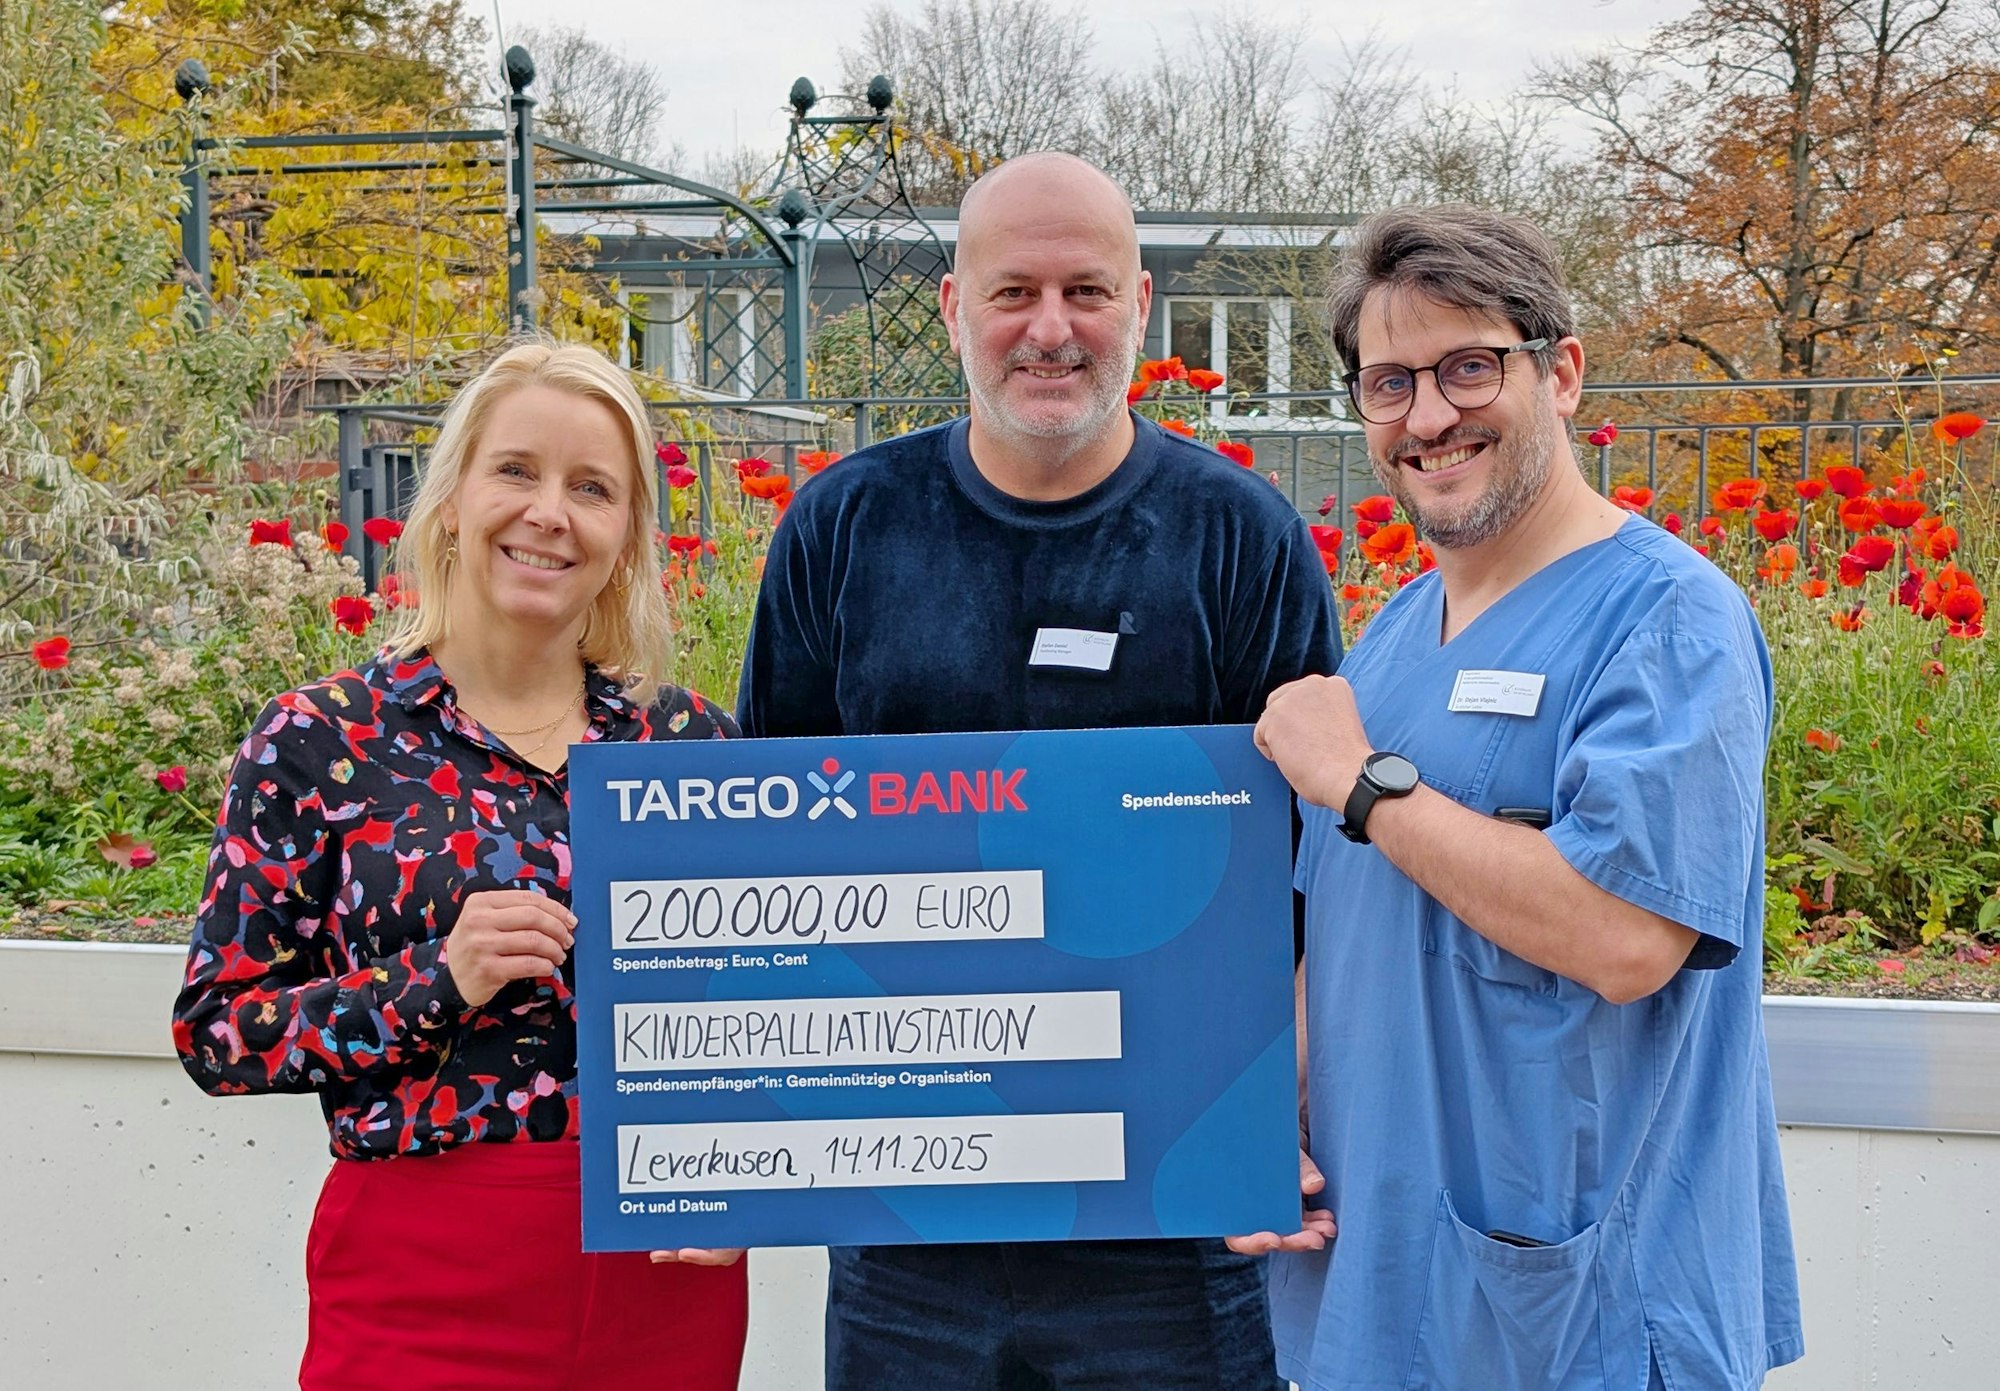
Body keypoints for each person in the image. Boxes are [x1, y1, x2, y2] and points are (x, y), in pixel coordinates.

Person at [737, 151, 1341, 1389]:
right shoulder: (841, 526)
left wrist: (1270, 1108)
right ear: (953, 306)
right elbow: (767, 850)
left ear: (1140, 305)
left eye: (1086, 291)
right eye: (1013, 292)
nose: (1050, 329)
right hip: (908, 1221)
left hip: (1174, 1220)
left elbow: (1311, 872)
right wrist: (732, 1125)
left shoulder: (1241, 537)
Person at [1239, 205, 1803, 1390]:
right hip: (1376, 1297)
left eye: (1467, 367)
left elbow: (1623, 934)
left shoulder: (1666, 620)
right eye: (1388, 383)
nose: (1426, 417)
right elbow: (1340, 925)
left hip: (1574, 1313)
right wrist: (1262, 1118)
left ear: (1561, 372)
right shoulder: (1391, 641)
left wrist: (1362, 783)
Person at [172, 342, 748, 1390]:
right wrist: (439, 977)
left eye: (592, 488)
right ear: (449, 502)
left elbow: (771, 1010)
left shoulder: (694, 745)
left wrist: (750, 1176)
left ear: (627, 536)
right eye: (515, 471)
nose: (549, 512)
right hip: (420, 1273)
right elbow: (218, 1033)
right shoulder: (321, 738)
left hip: (664, 1278)